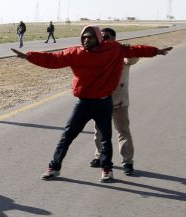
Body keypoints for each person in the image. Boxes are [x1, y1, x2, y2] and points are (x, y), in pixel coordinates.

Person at [11, 26, 172, 182]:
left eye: (90, 36)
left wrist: (156, 51)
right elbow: (54, 59)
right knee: (67, 136)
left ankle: (107, 169)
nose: (86, 40)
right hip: (84, 103)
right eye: (84, 37)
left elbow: (136, 50)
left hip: (104, 102)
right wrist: (29, 56)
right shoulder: (75, 52)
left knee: (105, 138)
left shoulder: (114, 49)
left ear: (98, 38)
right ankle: (54, 167)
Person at [90, 28, 138, 175]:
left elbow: (131, 59)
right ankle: (99, 157)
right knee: (99, 132)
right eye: (101, 37)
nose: (104, 40)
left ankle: (127, 162)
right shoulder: (96, 54)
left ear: (114, 39)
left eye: (106, 37)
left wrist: (128, 50)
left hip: (119, 101)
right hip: (100, 101)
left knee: (123, 132)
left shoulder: (121, 53)